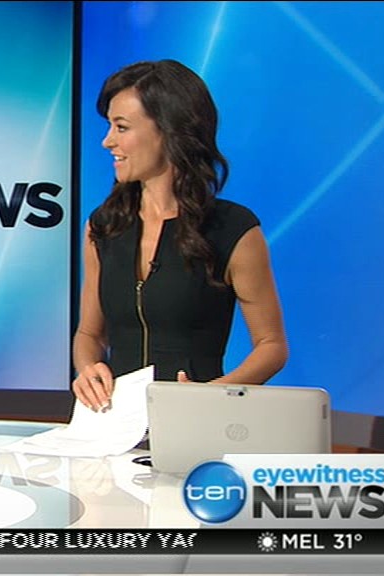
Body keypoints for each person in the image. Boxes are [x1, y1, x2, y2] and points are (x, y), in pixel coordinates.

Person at [72, 59, 287, 412]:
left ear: (168, 130)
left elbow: (271, 345)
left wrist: (208, 397)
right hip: (112, 424)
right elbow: (90, 335)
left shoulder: (232, 229)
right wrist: (87, 369)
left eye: (121, 127)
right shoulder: (105, 226)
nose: (107, 141)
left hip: (196, 423)